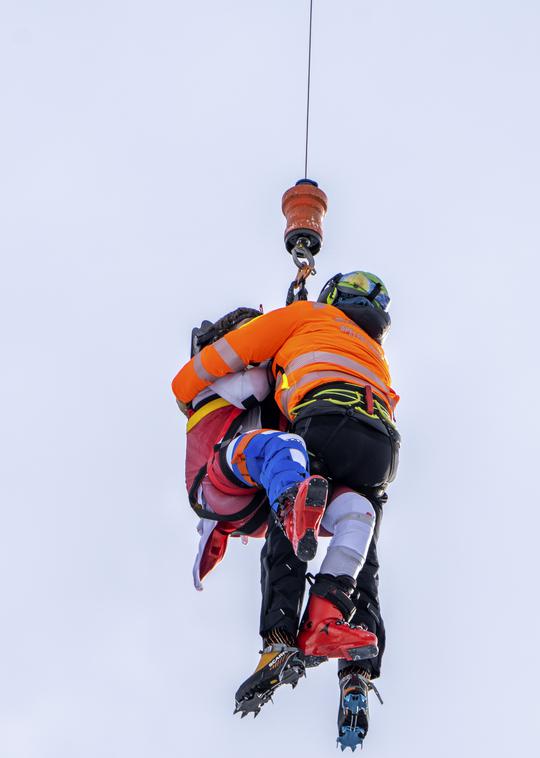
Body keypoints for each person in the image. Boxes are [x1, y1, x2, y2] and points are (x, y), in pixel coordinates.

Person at [173, 271, 399, 749]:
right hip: (380, 448)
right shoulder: (375, 355)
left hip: (311, 431)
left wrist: (185, 387)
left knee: (291, 484)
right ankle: (339, 640)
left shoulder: (305, 316)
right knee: (360, 525)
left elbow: (218, 365)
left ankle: (278, 635)